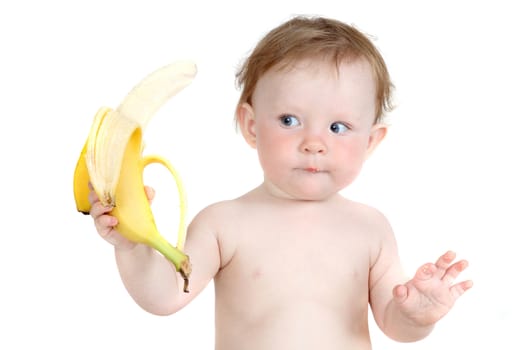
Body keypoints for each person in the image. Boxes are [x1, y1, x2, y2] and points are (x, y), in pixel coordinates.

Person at [89, 15, 472, 349]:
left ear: (370, 141)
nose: (314, 144)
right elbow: (164, 297)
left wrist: (417, 315)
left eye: (338, 127)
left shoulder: (371, 228)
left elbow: (394, 324)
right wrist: (131, 247)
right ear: (251, 125)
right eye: (290, 120)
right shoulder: (224, 224)